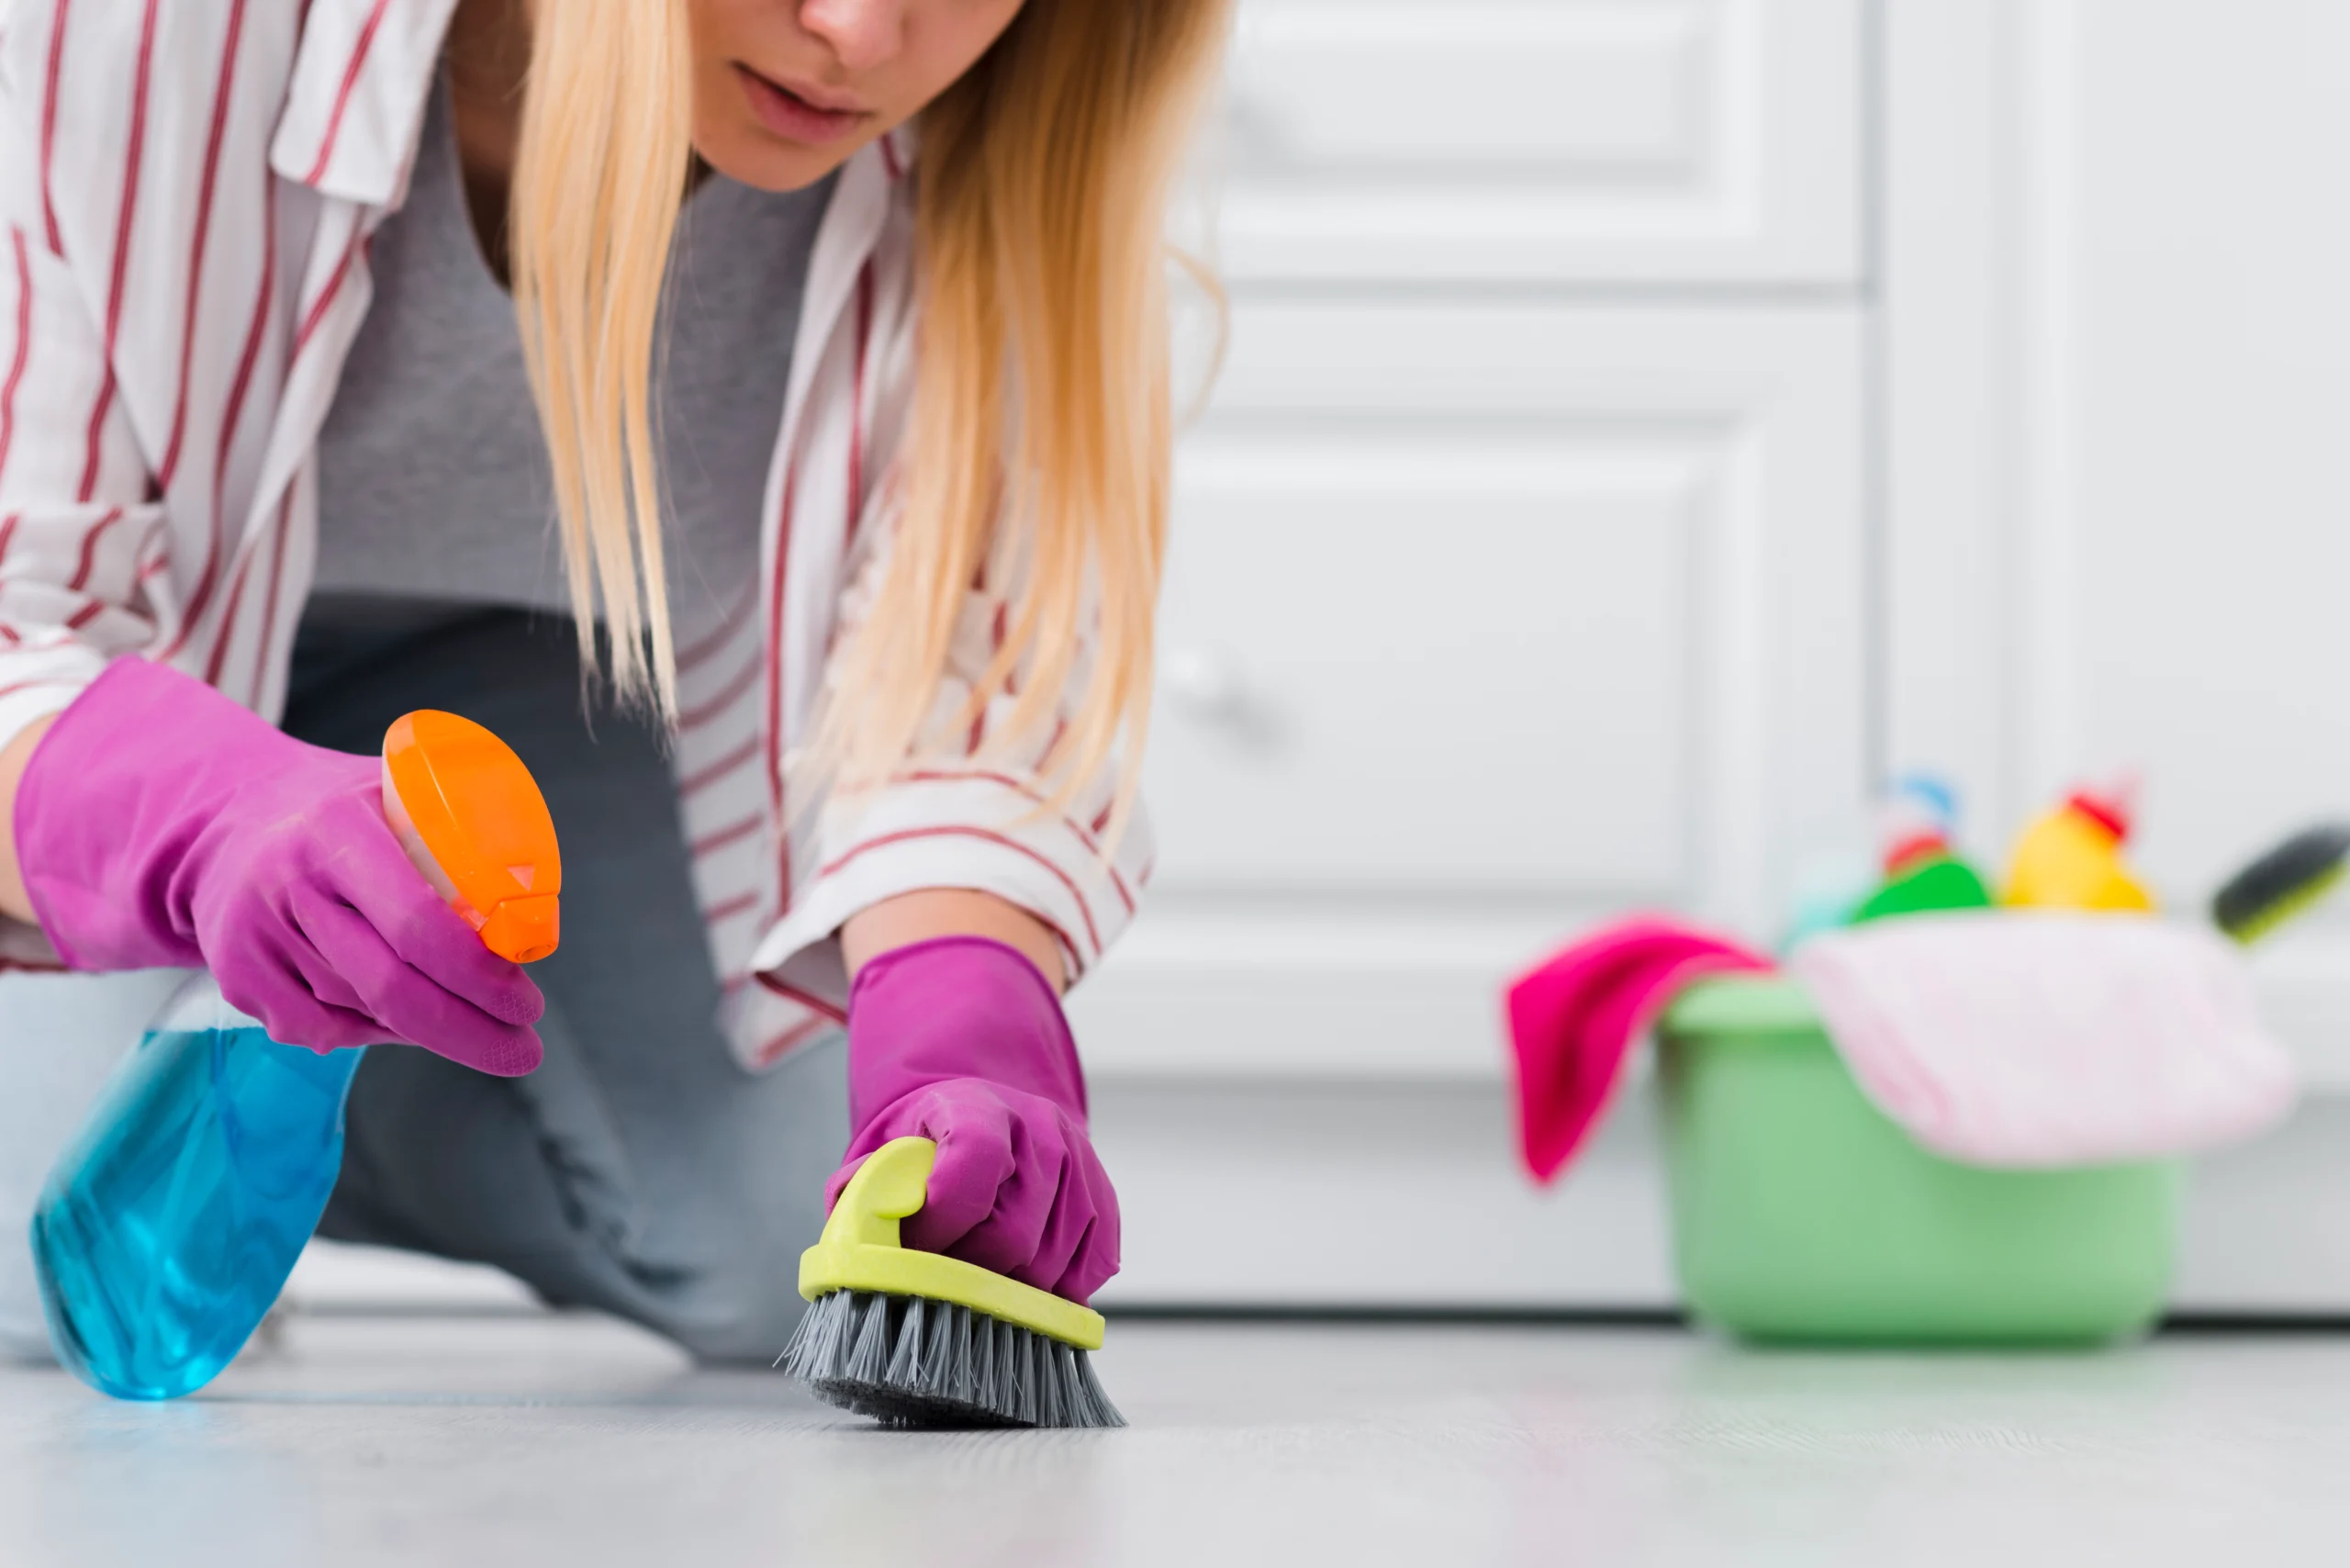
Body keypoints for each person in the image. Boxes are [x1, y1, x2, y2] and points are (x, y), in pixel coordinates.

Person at [0, 0, 1228, 1362]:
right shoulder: (145, 28)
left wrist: (967, 1011)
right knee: (38, 1281)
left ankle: (300, 1081)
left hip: (527, 696)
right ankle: (222, 1055)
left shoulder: (998, 132)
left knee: (790, 1254)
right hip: (114, 720)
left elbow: (947, 667)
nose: (862, 33)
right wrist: (202, 824)